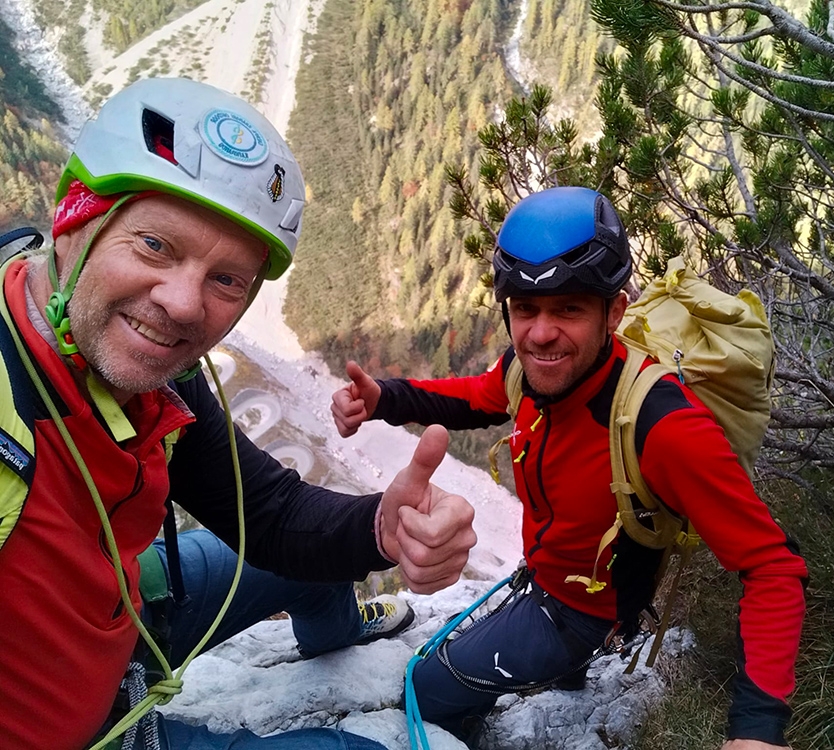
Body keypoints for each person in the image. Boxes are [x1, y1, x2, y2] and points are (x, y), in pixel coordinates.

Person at [0, 77, 477, 750]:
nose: (184, 304)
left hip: (118, 614)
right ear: (76, 216)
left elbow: (270, 516)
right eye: (155, 245)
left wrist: (384, 528)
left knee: (303, 563)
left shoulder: (150, 368)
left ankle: (342, 637)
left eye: (226, 279)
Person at [331, 187, 809, 749]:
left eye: (569, 309)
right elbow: (471, 398)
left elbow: (773, 568)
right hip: (548, 573)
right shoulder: (529, 372)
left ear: (615, 312)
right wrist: (384, 398)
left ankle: (542, 676)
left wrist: (756, 730)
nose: (539, 333)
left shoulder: (664, 428)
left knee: (424, 688)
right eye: (525, 309)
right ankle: (563, 670)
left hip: (581, 611)